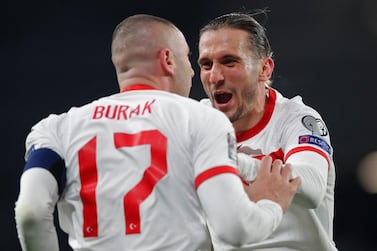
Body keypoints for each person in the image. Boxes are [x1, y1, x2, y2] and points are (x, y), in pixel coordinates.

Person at [14, 14, 300, 251]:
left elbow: (30, 211)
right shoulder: (200, 119)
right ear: (168, 59)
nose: (193, 72)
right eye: (191, 59)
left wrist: (248, 166)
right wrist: (271, 203)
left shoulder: (56, 128)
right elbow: (234, 230)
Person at [197, 11, 337, 251]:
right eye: (206, 64)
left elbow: (312, 187)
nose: (215, 76)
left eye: (229, 62)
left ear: (264, 69)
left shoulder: (298, 119)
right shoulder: (197, 122)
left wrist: (229, 161)